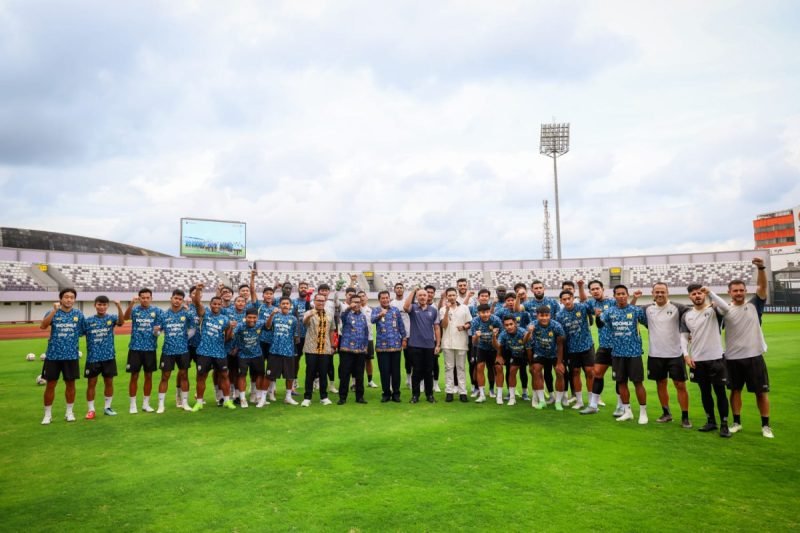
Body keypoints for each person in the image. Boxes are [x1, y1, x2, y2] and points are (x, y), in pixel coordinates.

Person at [718, 257, 772, 438]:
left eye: (741, 290)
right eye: (735, 290)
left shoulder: (754, 305)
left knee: (761, 392)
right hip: (732, 357)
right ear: (729, 292)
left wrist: (761, 268)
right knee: (735, 391)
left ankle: (765, 426)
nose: (739, 293)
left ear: (746, 291)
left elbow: (762, 288)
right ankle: (737, 422)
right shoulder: (725, 310)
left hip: (754, 355)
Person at [681, 284, 731, 437]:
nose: (697, 296)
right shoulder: (687, 315)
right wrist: (686, 355)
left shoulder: (714, 310)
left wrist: (711, 293)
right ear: (690, 296)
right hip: (697, 360)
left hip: (716, 358)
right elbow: (683, 336)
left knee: (720, 392)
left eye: (700, 293)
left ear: (704, 295)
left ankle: (724, 424)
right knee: (705, 392)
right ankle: (711, 421)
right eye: (694, 294)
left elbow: (727, 308)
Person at [597, 285, 649, 424]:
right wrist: (597, 316)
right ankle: (627, 411)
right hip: (617, 353)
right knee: (621, 382)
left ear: (627, 295)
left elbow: (649, 325)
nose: (621, 296)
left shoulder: (636, 311)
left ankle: (643, 413)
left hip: (634, 353)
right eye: (618, 294)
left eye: (623, 293)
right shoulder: (609, 312)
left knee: (638, 383)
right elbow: (599, 323)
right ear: (614, 296)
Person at [641, 282, 691, 427]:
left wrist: (690, 333)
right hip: (655, 354)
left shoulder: (678, 307)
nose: (660, 294)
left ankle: (685, 416)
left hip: (675, 353)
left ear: (667, 292)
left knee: (680, 384)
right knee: (661, 383)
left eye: (662, 292)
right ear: (652, 293)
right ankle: (666, 413)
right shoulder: (647, 309)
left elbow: (692, 315)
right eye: (657, 292)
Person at [40, 288, 85, 424]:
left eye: (72, 297)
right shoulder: (52, 312)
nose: (69, 300)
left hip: (71, 356)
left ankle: (69, 412)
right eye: (66, 297)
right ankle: (47, 415)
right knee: (50, 385)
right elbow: (43, 326)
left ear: (74, 300)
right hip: (53, 356)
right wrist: (54, 311)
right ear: (61, 298)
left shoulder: (79, 314)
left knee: (70, 385)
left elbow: (83, 331)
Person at [191, 286, 237, 411]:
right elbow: (196, 302)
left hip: (219, 352)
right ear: (210, 304)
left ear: (221, 305)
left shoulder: (225, 319)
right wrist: (198, 290)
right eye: (214, 303)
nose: (216, 305)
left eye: (219, 304)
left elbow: (227, 338)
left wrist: (231, 328)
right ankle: (199, 402)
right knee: (201, 377)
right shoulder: (205, 314)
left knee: (224, 375)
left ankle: (227, 401)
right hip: (204, 351)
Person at [579, 280, 619, 415]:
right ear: (590, 292)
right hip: (603, 346)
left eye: (597, 288)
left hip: (617, 346)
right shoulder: (591, 304)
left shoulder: (613, 302)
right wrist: (580, 287)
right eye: (592, 289)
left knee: (619, 377)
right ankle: (593, 405)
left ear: (603, 289)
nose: (595, 291)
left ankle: (621, 406)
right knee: (597, 373)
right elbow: (583, 301)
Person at [82, 296, 124, 419]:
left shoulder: (111, 318)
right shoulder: (88, 321)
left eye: (104, 305)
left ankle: (107, 407)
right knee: (91, 383)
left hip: (109, 357)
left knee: (109, 382)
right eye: (99, 304)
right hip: (93, 357)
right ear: (95, 305)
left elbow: (121, 322)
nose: (102, 307)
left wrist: (119, 306)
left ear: (107, 306)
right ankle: (91, 410)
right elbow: (79, 333)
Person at [123, 288, 163, 414]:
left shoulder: (157, 311)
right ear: (139, 298)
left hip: (150, 349)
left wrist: (157, 331)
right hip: (135, 348)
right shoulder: (135, 310)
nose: (145, 300)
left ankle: (146, 404)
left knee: (149, 376)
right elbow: (125, 318)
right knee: (134, 376)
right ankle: (133, 404)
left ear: (151, 298)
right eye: (143, 297)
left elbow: (158, 331)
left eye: (147, 297)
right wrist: (131, 303)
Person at [155, 289, 195, 413]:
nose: (177, 301)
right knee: (165, 377)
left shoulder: (187, 314)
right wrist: (156, 331)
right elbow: (157, 332)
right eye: (175, 298)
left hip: (183, 350)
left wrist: (183, 339)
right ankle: (161, 405)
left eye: (180, 299)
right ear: (171, 299)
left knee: (184, 375)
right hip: (168, 351)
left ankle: (185, 403)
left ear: (182, 301)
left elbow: (193, 329)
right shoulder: (163, 314)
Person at [555, 289, 594, 410]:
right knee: (575, 373)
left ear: (573, 298)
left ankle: (592, 401)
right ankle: (580, 401)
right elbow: (561, 336)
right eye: (564, 299)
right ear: (561, 301)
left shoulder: (581, 308)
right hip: (572, 349)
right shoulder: (559, 315)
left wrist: (581, 286)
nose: (567, 301)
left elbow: (585, 301)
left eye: (569, 298)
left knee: (589, 372)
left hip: (586, 345)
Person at [404, 287, 441, 403]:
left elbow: (436, 328)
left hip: (429, 346)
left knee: (429, 371)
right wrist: (413, 291)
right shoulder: (413, 308)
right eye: (420, 295)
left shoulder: (433, 310)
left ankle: (429, 395)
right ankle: (415, 396)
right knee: (416, 371)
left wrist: (438, 344)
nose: (423, 297)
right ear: (417, 297)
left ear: (428, 296)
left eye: (424, 295)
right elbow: (405, 307)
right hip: (415, 345)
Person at [527, 306, 566, 409]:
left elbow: (560, 345)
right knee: (536, 371)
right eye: (541, 316)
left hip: (554, 353)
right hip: (540, 353)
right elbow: (525, 340)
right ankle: (542, 401)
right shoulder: (533, 325)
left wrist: (559, 362)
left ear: (550, 315)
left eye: (546, 315)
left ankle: (558, 402)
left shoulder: (556, 326)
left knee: (560, 373)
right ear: (537, 315)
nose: (544, 318)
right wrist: (529, 332)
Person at [527, 280, 560, 402]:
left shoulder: (552, 302)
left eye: (540, 287)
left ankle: (561, 396)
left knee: (557, 371)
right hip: (537, 344)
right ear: (532, 290)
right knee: (538, 370)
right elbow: (518, 308)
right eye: (536, 288)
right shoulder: (529, 304)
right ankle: (542, 396)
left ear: (544, 288)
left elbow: (559, 317)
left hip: (553, 342)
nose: (538, 289)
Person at [265, 296, 301, 405]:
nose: (285, 305)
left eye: (287, 303)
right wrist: (271, 314)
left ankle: (288, 397)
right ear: (280, 305)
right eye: (283, 303)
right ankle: (266, 396)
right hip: (274, 350)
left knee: (289, 376)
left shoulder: (294, 319)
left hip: (288, 351)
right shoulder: (275, 316)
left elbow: (296, 336)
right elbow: (267, 326)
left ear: (290, 306)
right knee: (270, 375)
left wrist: (292, 344)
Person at [439, 287, 472, 402]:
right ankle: (449, 392)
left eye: (454, 295)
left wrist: (464, 327)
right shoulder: (443, 309)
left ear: (456, 296)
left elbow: (469, 323)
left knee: (461, 368)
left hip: (461, 342)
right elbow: (443, 325)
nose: (452, 297)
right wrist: (447, 311)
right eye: (449, 295)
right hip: (447, 342)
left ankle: (462, 392)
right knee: (449, 368)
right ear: (446, 296)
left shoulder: (464, 308)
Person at [302, 293, 336, 407]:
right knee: (310, 373)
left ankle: (324, 397)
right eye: (318, 300)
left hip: (325, 348)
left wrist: (332, 346)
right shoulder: (309, 312)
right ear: (314, 301)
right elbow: (304, 324)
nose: (321, 302)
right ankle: (307, 397)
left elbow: (332, 330)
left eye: (322, 300)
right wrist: (309, 315)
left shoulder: (330, 314)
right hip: (311, 348)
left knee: (323, 373)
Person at [372, 290, 406, 402]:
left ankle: (396, 393)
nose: (385, 300)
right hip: (382, 347)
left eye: (387, 297)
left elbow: (401, 325)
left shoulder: (395, 310)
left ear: (389, 298)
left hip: (396, 345)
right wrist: (379, 315)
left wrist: (404, 338)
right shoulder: (376, 310)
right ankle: (386, 393)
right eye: (383, 298)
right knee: (384, 371)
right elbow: (372, 320)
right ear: (379, 299)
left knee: (396, 371)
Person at [338, 294, 370, 404]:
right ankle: (342, 398)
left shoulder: (363, 316)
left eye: (358, 302)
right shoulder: (347, 315)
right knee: (345, 375)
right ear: (350, 302)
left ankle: (360, 397)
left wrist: (365, 346)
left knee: (360, 375)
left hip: (360, 350)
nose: (357, 304)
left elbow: (366, 332)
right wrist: (348, 308)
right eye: (354, 302)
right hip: (347, 350)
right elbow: (342, 316)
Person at [493, 316, 532, 406]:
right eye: (506, 325)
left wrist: (531, 363)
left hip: (524, 353)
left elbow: (528, 346)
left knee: (525, 371)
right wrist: (494, 336)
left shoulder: (522, 332)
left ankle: (525, 393)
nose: (509, 327)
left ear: (515, 323)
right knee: (501, 367)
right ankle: (503, 397)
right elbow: (498, 346)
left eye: (511, 324)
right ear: (504, 325)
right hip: (512, 353)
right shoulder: (503, 333)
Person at [233, 307, 267, 408]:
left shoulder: (261, 323)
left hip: (257, 354)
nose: (252, 320)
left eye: (254, 317)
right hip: (243, 355)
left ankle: (258, 397)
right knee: (242, 375)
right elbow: (231, 335)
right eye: (249, 317)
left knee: (260, 375)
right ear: (245, 317)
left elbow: (269, 325)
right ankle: (243, 399)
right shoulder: (240, 325)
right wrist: (234, 346)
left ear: (257, 317)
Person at [469, 303, 503, 403]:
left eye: (487, 312)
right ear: (479, 313)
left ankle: (493, 390)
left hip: (494, 347)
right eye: (483, 313)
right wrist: (476, 336)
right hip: (481, 347)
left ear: (490, 312)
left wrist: (499, 351)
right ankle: (482, 394)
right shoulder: (475, 321)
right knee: (479, 367)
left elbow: (501, 338)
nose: (486, 314)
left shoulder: (496, 320)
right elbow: (474, 342)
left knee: (495, 368)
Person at [390, 283, 413, 389]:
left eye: (401, 288)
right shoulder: (392, 303)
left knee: (409, 358)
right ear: (394, 290)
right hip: (395, 335)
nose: (399, 289)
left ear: (404, 290)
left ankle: (409, 379)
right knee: (393, 360)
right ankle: (392, 382)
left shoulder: (408, 302)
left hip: (408, 334)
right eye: (397, 288)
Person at [358, 290, 379, 389]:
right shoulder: (355, 309)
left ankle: (370, 381)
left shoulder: (371, 310)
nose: (362, 298)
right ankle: (356, 382)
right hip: (357, 339)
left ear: (367, 297)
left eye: (363, 296)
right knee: (357, 361)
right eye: (360, 296)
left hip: (369, 338)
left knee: (368, 360)